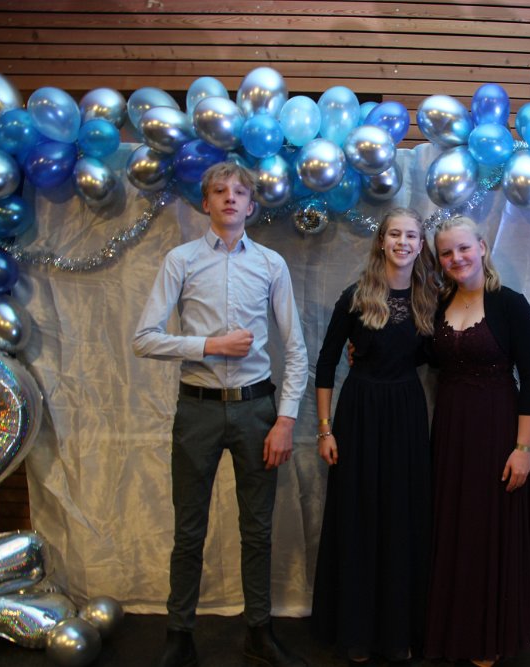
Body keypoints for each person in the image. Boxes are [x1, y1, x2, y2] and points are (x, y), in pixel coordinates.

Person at [133, 161, 309, 667]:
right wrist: (209, 345)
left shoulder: (271, 264)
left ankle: (259, 632)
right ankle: (178, 635)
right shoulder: (181, 260)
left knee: (258, 530)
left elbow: (295, 349)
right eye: (219, 190)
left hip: (258, 412)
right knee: (189, 530)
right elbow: (144, 339)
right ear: (205, 202)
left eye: (239, 192)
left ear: (251, 206)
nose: (230, 197)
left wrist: (285, 419)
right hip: (198, 411)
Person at [310, 208, 438, 663]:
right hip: (360, 414)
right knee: (359, 517)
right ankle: (357, 632)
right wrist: (324, 430)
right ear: (381, 241)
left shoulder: (429, 299)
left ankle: (398, 631)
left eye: (411, 236)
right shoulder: (356, 296)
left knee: (402, 518)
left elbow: (434, 356)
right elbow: (326, 364)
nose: (403, 242)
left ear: (420, 245)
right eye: (395, 234)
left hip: (406, 414)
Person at [424, 215, 530, 666]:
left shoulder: (510, 304)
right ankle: (450, 631)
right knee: (451, 527)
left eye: (463, 248)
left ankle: (487, 637)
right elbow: (417, 353)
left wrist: (522, 449)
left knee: (486, 530)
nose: (456, 258)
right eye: (446, 252)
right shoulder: (438, 303)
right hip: (450, 431)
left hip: (497, 432)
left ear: (481, 247)